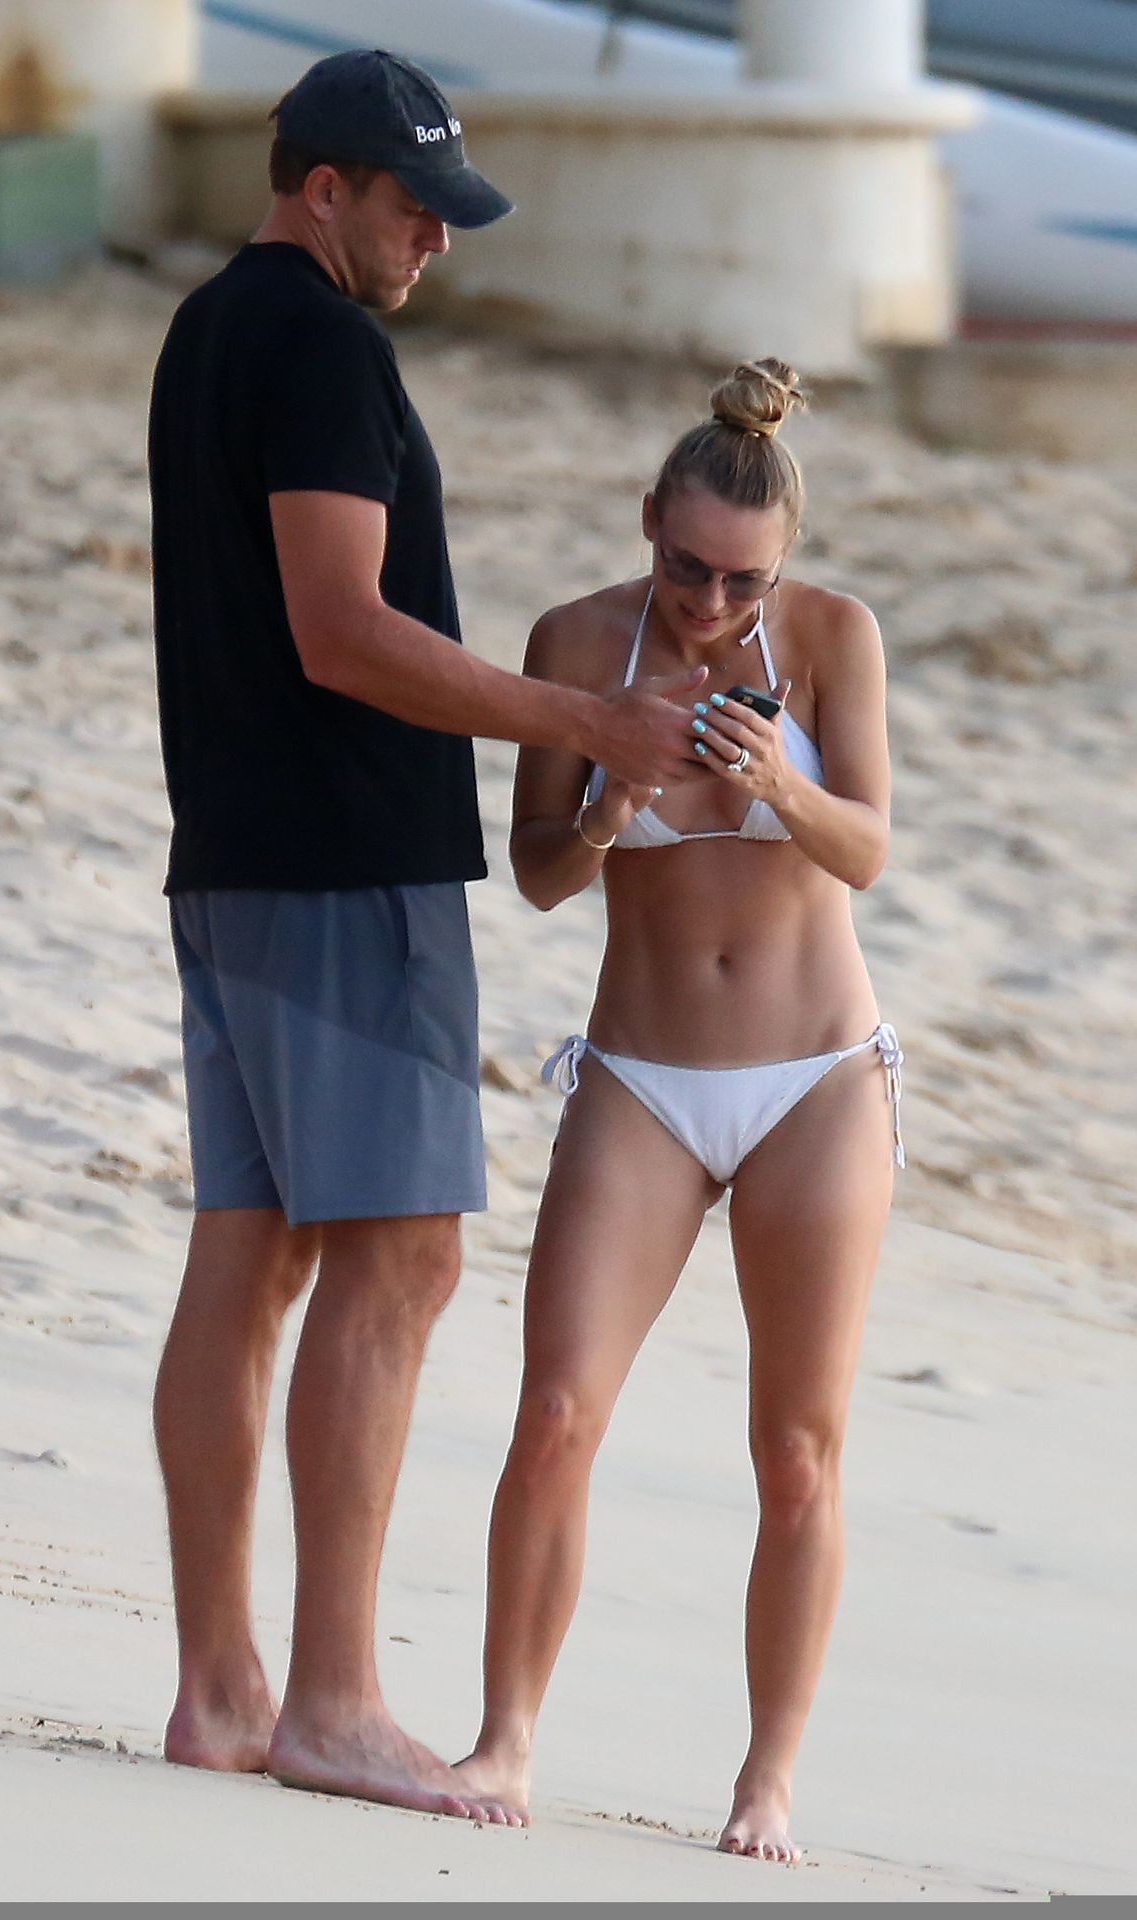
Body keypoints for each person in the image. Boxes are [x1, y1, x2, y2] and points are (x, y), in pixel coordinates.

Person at [146, 48, 701, 1826]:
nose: (434, 243)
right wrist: (588, 725)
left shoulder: (206, 329)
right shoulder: (318, 345)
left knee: (251, 1257)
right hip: (338, 866)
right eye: (412, 209)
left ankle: (222, 1693)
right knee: (397, 1262)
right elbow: (344, 631)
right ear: (323, 189)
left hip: (232, 857)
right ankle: (330, 1701)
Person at [453, 361, 905, 1858]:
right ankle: (505, 1738)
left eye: (741, 580)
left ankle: (766, 1779)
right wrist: (608, 795)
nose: (710, 602)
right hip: (642, 1072)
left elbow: (867, 852)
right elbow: (535, 873)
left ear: (784, 563)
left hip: (813, 1076)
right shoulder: (577, 642)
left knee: (798, 1449)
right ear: (648, 519)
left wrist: (780, 779)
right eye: (686, 567)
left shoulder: (833, 638)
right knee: (557, 1411)